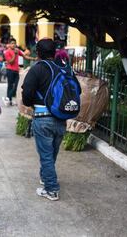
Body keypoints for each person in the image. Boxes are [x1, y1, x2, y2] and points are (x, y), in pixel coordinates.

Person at [21, 38, 80, 201]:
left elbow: (26, 96)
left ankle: (51, 189)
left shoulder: (37, 69)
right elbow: (78, 90)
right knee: (52, 152)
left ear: (37, 53)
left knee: (46, 155)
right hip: (61, 117)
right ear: (54, 52)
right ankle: (46, 177)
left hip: (42, 118)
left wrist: (31, 104)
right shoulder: (63, 68)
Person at [3, 38, 36, 106]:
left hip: (16, 70)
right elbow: (10, 62)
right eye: (12, 43)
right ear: (9, 44)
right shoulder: (7, 52)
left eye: (14, 43)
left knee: (17, 86)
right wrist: (15, 54)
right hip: (10, 70)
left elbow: (25, 56)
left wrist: (34, 59)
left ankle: (8, 97)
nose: (13, 45)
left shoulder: (17, 50)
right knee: (10, 85)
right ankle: (9, 100)